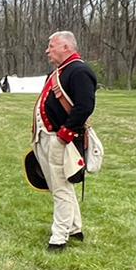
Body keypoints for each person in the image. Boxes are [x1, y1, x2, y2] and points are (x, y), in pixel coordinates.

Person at [34, 30, 98, 251]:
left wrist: (65, 133)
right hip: (48, 136)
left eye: (51, 46)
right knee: (60, 186)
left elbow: (84, 106)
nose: (47, 51)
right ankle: (74, 227)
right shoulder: (61, 71)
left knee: (60, 188)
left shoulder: (79, 71)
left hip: (60, 139)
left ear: (66, 47)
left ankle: (59, 237)